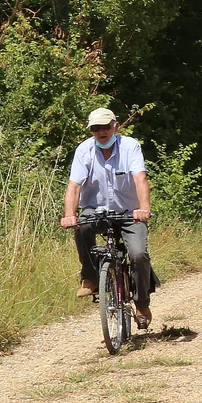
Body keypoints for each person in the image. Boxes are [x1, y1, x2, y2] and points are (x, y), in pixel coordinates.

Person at [60, 108, 154, 323]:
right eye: (95, 128)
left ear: (115, 126)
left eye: (105, 127)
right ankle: (90, 278)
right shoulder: (84, 150)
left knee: (138, 254)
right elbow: (74, 186)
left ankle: (141, 303)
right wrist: (69, 215)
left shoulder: (130, 146)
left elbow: (140, 178)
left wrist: (144, 208)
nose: (101, 132)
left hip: (130, 212)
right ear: (91, 130)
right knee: (82, 225)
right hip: (96, 209)